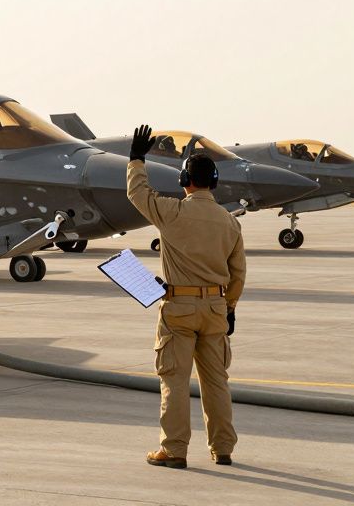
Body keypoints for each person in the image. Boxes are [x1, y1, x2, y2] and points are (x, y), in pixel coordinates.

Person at [127, 124, 246, 469]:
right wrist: (229, 307)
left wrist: (136, 160)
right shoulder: (229, 222)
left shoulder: (173, 212)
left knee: (174, 381)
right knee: (216, 382)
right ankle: (222, 448)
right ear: (214, 182)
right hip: (215, 308)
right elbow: (238, 273)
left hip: (178, 308)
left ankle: (174, 449)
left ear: (184, 180)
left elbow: (137, 193)